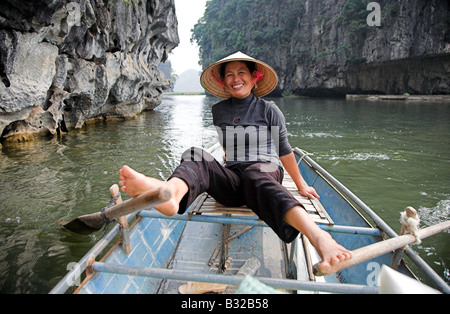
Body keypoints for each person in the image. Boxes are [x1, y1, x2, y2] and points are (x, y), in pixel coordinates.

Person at [118, 52, 351, 273]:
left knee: (254, 174)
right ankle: (170, 194)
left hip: (264, 171)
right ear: (223, 81)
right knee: (196, 154)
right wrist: (219, 165)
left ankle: (319, 236)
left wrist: (300, 185)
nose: (235, 78)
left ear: (254, 78)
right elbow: (227, 149)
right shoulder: (218, 111)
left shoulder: (269, 110)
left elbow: (284, 150)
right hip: (235, 179)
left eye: (241, 73)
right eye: (229, 74)